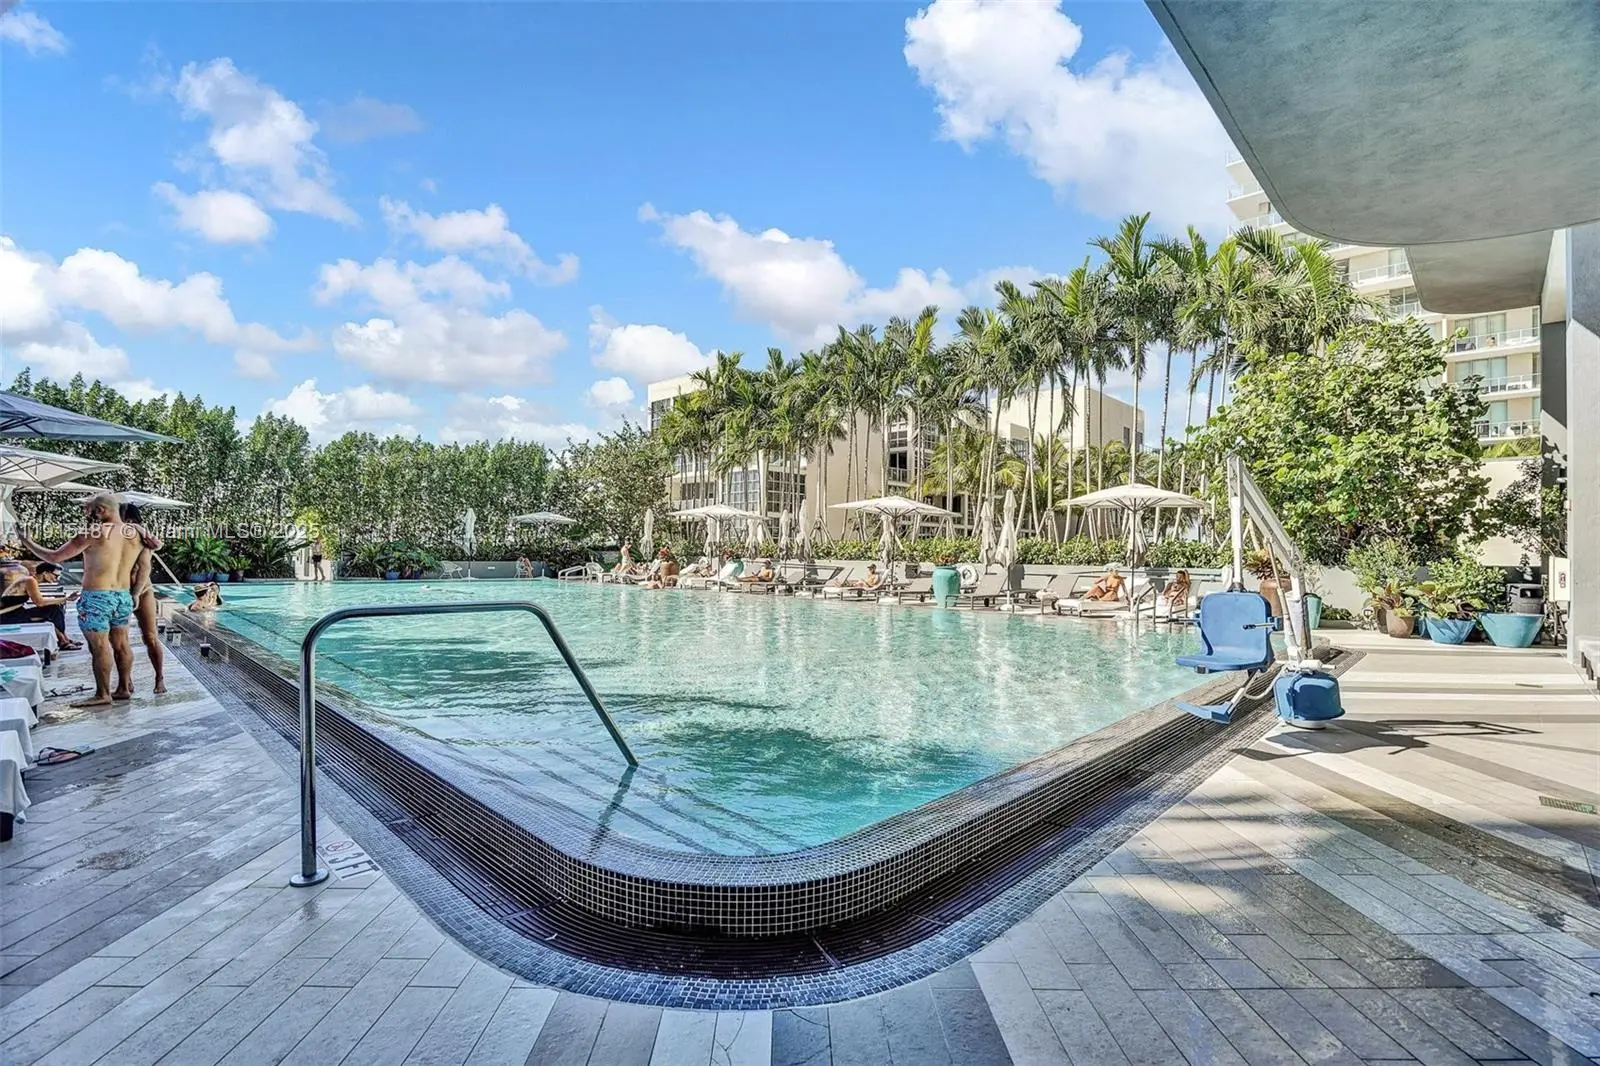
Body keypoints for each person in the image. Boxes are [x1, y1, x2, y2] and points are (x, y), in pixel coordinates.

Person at [18, 493, 144, 708]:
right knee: (122, 644)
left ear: (101, 510)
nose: (88, 514)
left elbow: (54, 557)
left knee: (100, 646)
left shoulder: (93, 532)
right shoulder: (136, 534)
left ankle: (103, 694)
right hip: (122, 595)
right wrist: (136, 593)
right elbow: (143, 567)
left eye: (90, 510)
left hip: (97, 597)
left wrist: (26, 541)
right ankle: (124, 688)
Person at [122, 503, 166, 695]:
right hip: (120, 591)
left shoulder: (141, 537)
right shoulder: (111, 536)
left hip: (143, 590)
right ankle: (126, 680)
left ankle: (159, 677)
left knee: (150, 636)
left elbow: (144, 567)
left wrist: (136, 593)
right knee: (120, 640)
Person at [0, 560, 81, 650]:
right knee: (52, 611)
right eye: (56, 576)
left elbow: (39, 599)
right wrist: (66, 598)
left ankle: (64, 639)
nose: (56, 579)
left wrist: (59, 600)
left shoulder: (31, 580)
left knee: (54, 608)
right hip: (7, 617)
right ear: (45, 573)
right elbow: (40, 603)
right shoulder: (30, 580)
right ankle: (63, 641)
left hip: (15, 613)